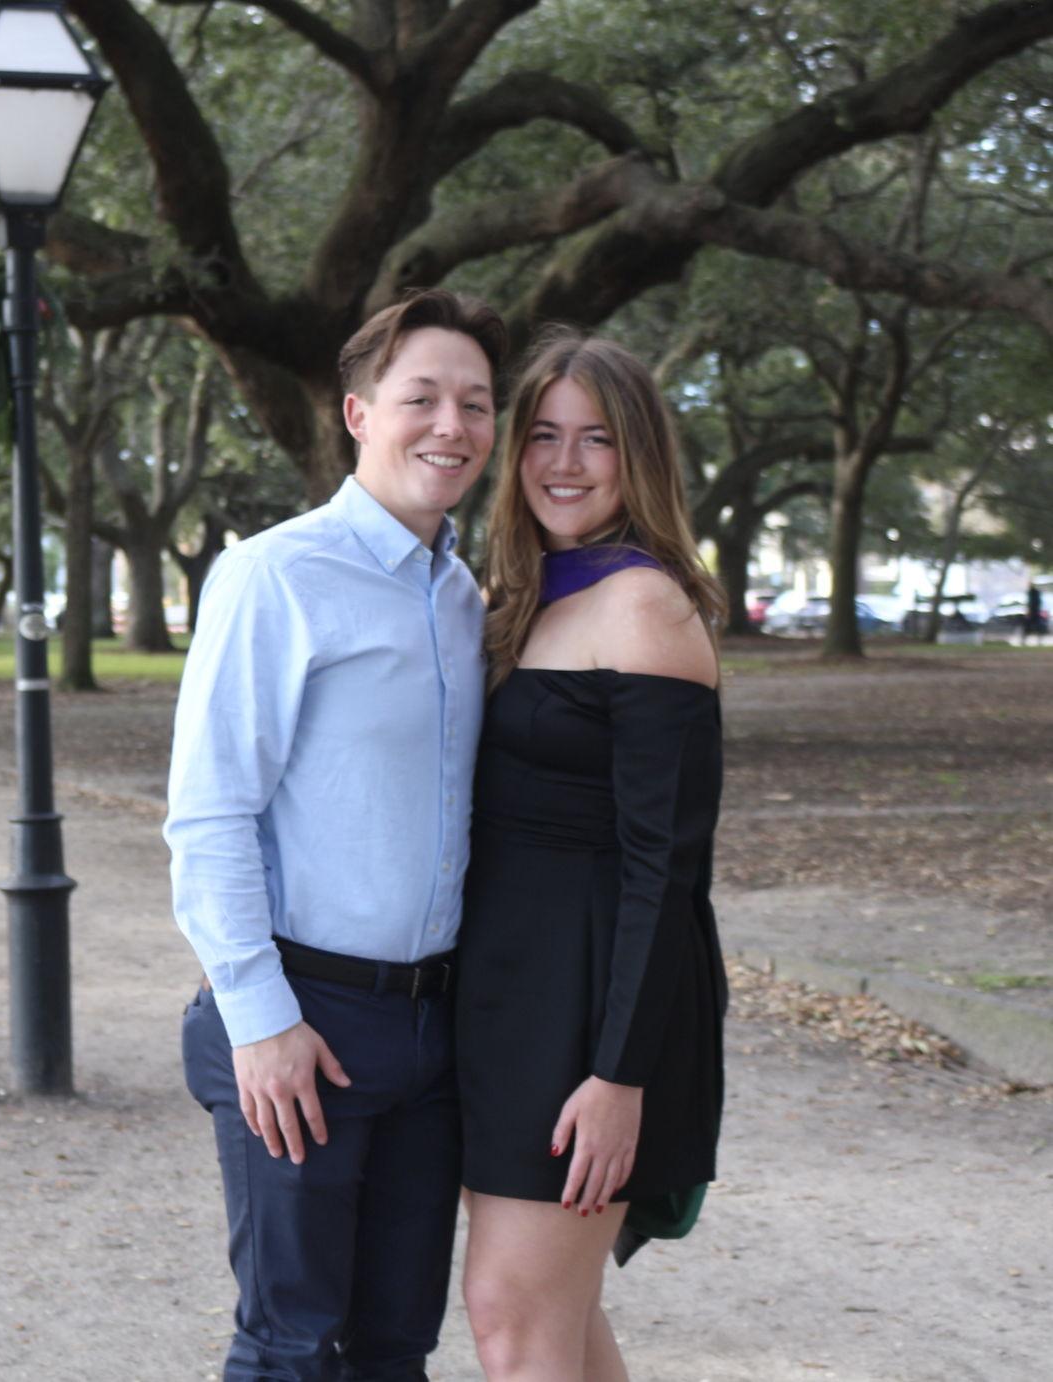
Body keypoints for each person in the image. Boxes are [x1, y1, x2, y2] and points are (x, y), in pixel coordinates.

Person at [165, 289, 507, 1379]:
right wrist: (259, 1018)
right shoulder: (277, 574)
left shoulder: (466, 596)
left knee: (395, 1347)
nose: (449, 425)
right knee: (288, 1344)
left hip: (429, 1031)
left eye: (475, 402)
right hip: (301, 1021)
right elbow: (210, 811)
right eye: (421, 398)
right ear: (359, 413)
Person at [455, 330, 729, 1380]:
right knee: (551, 1319)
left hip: (590, 1009)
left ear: (638, 458)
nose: (563, 463)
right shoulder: (517, 595)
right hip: (501, 992)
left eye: (595, 440)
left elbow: (667, 871)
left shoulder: (642, 604)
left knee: (512, 1317)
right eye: (541, 435)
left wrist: (620, 1072)